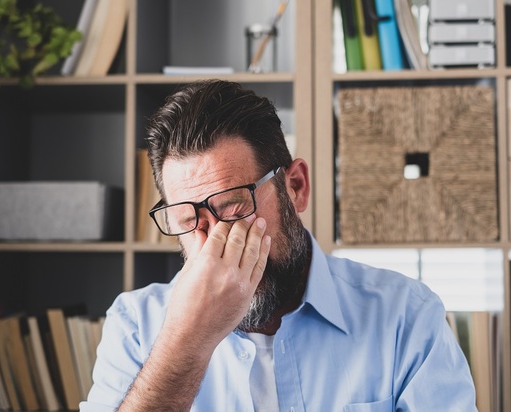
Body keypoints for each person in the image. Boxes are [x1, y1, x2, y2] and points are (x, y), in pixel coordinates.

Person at [81, 80, 477, 411]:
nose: (215, 245)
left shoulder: (406, 318)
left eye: (235, 206)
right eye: (189, 221)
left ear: (296, 188)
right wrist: (188, 340)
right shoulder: (134, 326)